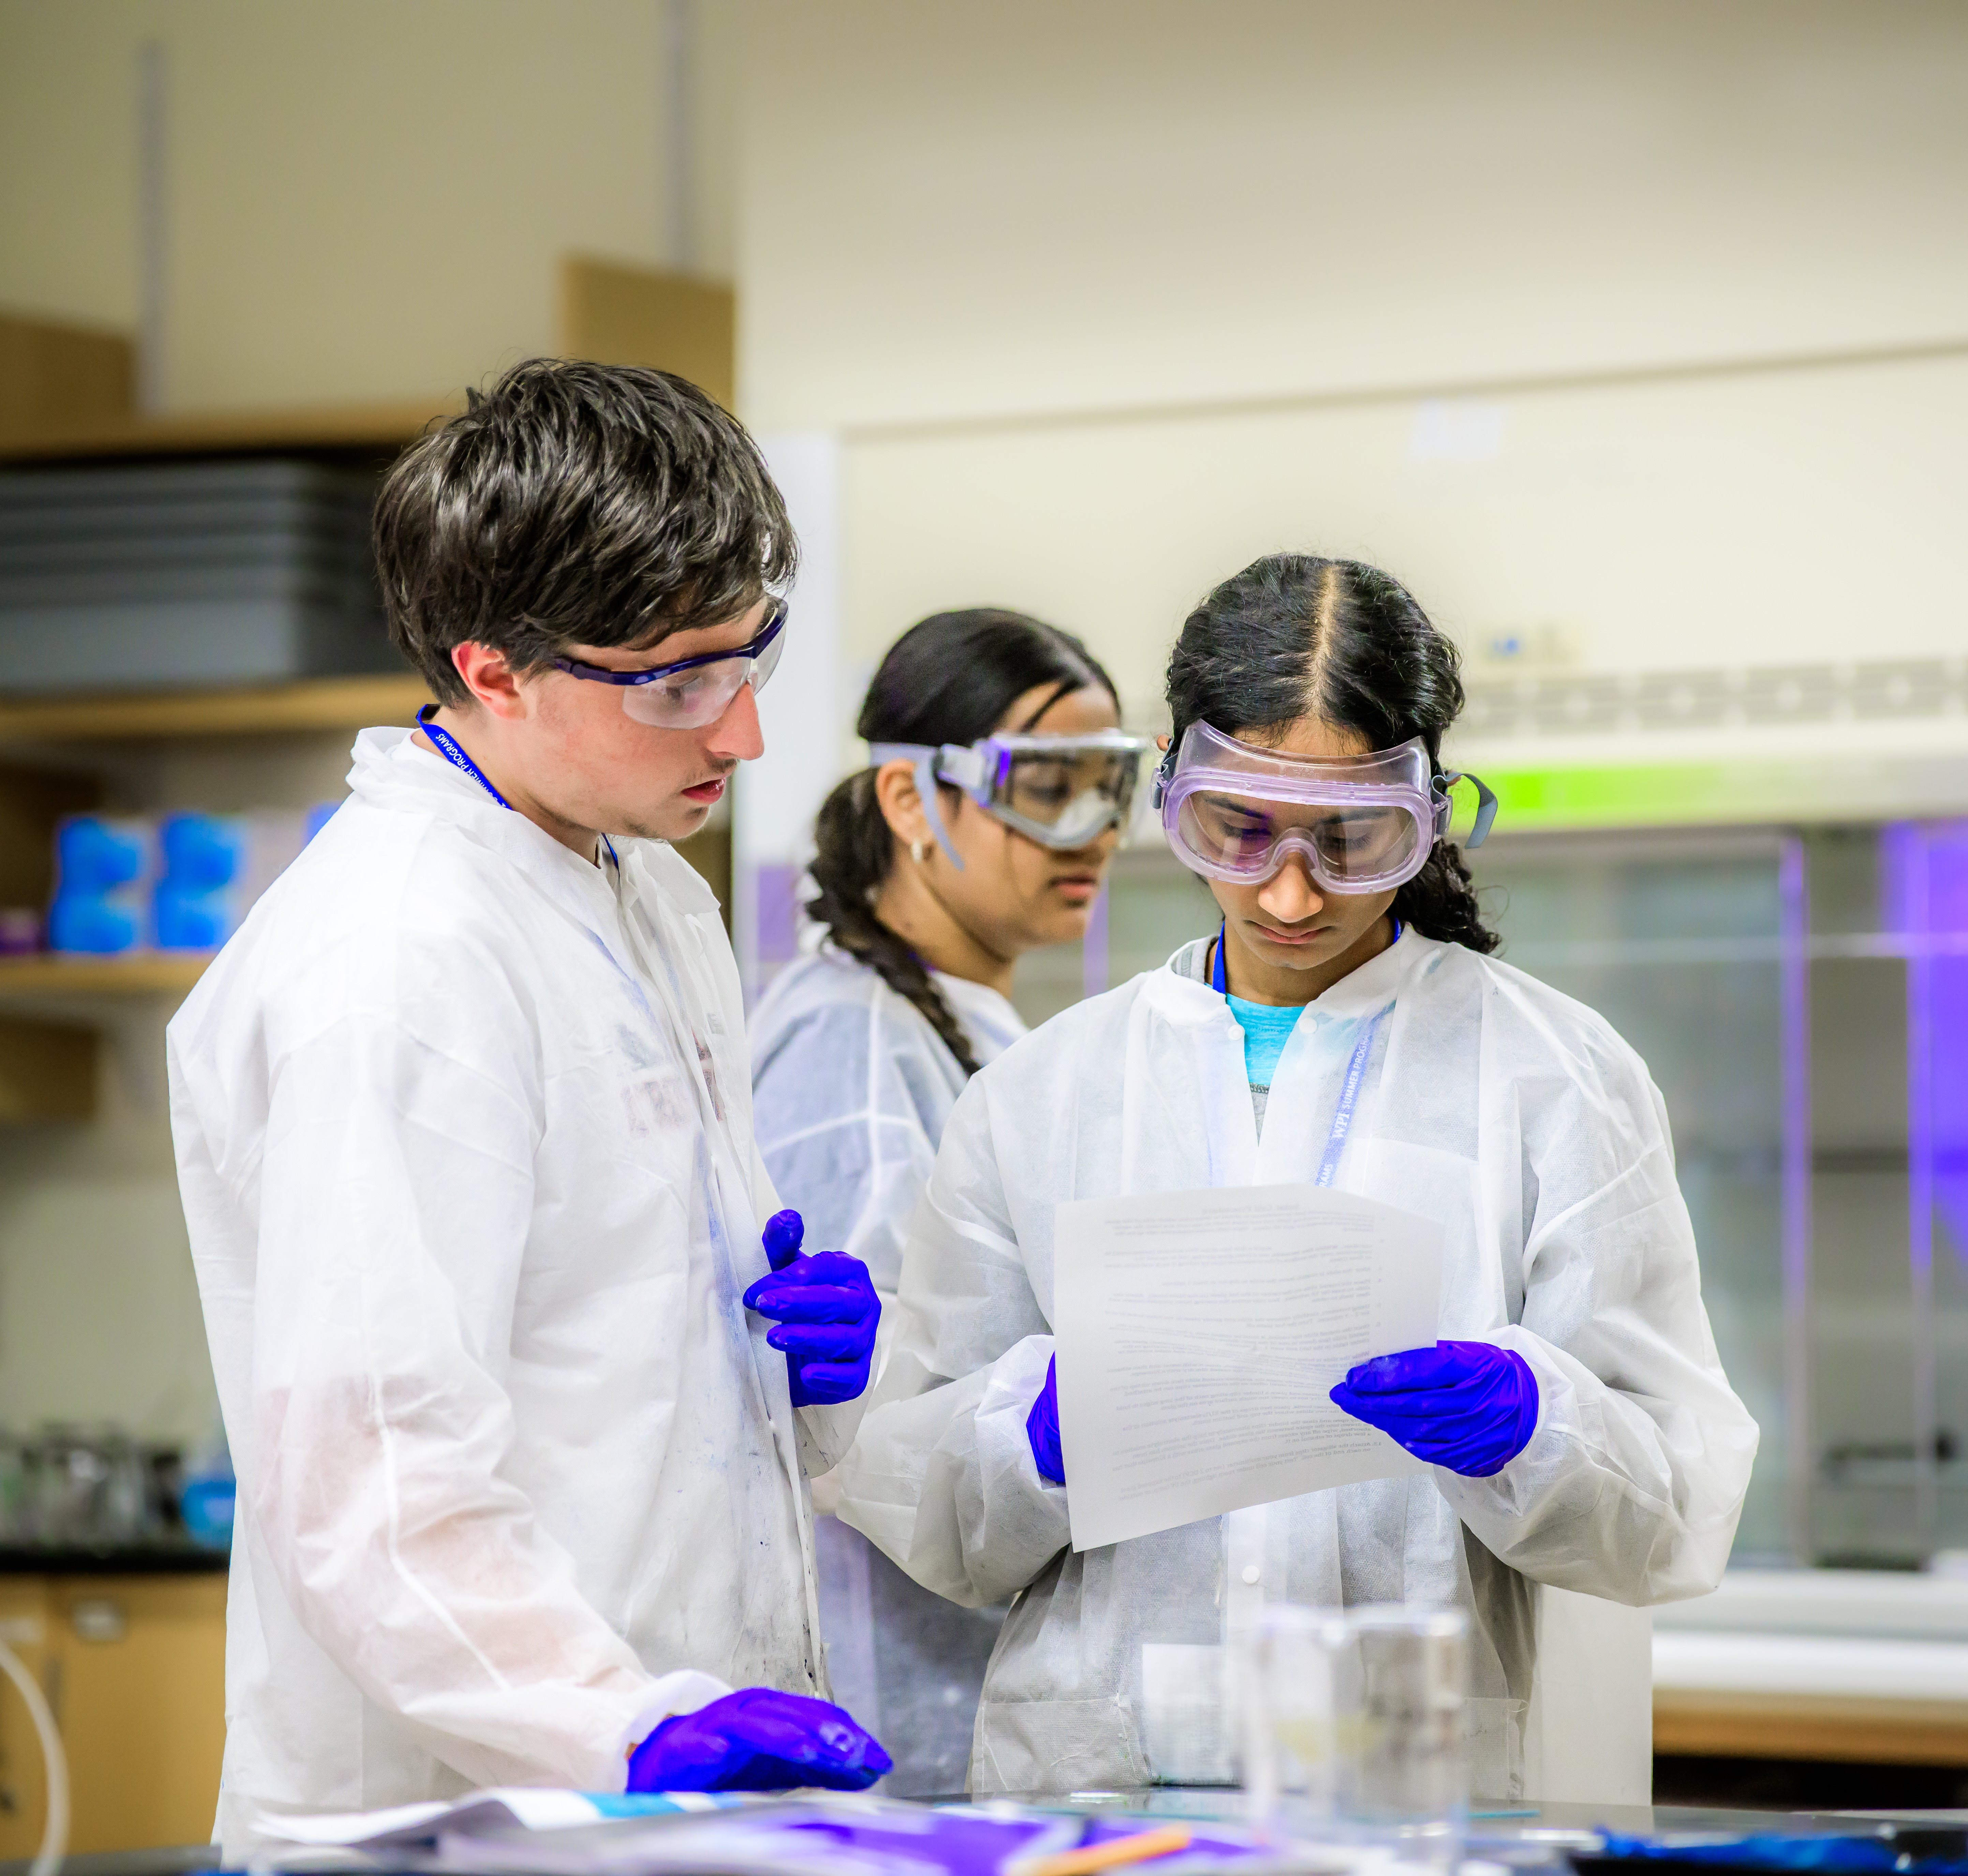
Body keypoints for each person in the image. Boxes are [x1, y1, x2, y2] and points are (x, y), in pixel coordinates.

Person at [835, 552, 1759, 1800]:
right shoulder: (1044, 1095)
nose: (1287, 890)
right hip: (1100, 1787)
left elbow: (1678, 1507)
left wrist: (1538, 1428)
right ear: (1173, 783)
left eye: (1349, 840)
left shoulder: (1553, 1076)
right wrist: (1031, 1435)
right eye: (1240, 826)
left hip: (1415, 1786)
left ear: (1425, 812)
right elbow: (921, 1506)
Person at [167, 361, 889, 1854]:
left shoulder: (646, 889)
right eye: (681, 681)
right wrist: (625, 1718)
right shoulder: (399, 958)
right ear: (492, 668)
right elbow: (373, 1475)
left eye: (752, 657)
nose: (741, 733)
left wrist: (783, 1363)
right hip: (467, 1808)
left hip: (646, 1791)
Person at [749, 608, 1146, 1793]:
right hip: (898, 1698)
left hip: (968, 1666)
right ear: (914, 803)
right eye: (1045, 787)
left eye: (1109, 786)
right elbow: (854, 1440)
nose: (1091, 835)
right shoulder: (855, 1046)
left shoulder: (963, 1028)